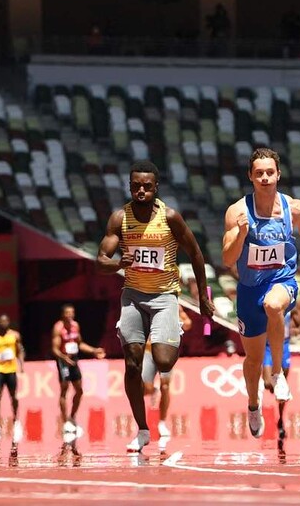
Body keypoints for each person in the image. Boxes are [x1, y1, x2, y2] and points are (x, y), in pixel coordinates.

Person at [97, 160, 215, 452]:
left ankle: (172, 332)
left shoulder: (170, 218)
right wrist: (116, 265)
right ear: (129, 186)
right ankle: (141, 429)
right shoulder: (119, 219)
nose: (141, 191)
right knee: (132, 363)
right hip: (133, 295)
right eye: (136, 186)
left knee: (163, 362)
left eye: (147, 187)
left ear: (155, 188)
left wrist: (203, 296)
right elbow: (100, 260)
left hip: (164, 297)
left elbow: (196, 254)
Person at [222, 147, 300, 438]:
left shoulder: (294, 208)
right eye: (259, 173)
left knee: (274, 305)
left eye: (270, 172)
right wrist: (241, 234)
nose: (265, 178)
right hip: (248, 289)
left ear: (278, 174)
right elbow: (228, 259)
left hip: (282, 281)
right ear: (250, 177)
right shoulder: (238, 211)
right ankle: (253, 404)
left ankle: (278, 373)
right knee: (253, 360)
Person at [51, 304, 103, 442]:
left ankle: (72, 417)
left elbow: (79, 344)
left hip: (73, 359)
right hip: (63, 361)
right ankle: (65, 421)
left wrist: (93, 350)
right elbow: (55, 349)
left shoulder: (75, 326)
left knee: (79, 390)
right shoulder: (58, 328)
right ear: (63, 314)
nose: (70, 315)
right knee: (64, 389)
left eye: (72, 313)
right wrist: (64, 358)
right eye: (67, 313)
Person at [142, 305, 192, 440]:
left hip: (166, 351)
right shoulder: (148, 303)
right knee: (145, 389)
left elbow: (187, 324)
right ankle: (153, 390)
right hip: (148, 352)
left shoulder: (175, 306)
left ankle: (162, 422)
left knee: (165, 386)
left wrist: (176, 326)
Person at [262, 309, 300, 440]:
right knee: (268, 383)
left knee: (282, 388)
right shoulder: (266, 305)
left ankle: (281, 419)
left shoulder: (290, 308)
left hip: (284, 346)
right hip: (268, 347)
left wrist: (296, 330)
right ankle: (275, 387)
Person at [0, 313, 25, 444]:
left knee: (13, 396)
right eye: (1, 321)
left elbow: (20, 350)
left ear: (9, 322)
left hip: (11, 370)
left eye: (6, 321)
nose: (3, 323)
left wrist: (21, 364)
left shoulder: (15, 335)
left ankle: (16, 420)